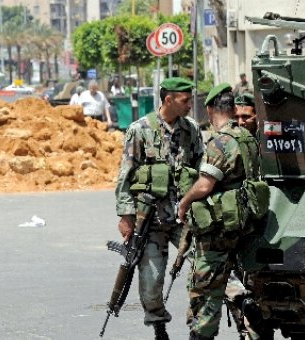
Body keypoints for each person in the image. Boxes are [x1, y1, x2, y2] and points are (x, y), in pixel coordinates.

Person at [114, 77, 203, 340]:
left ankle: (201, 324)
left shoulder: (192, 130)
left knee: (206, 266)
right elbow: (125, 174)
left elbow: (201, 169)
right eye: (185, 100)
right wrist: (125, 215)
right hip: (150, 220)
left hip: (184, 219)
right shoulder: (140, 130)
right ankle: (159, 327)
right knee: (151, 283)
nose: (190, 105)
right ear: (168, 100)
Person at [177, 83, 261, 340]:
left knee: (206, 291)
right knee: (240, 283)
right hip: (244, 224)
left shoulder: (220, 142)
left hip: (218, 229)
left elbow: (205, 185)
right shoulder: (246, 138)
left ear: (210, 108)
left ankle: (202, 334)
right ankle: (253, 329)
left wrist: (184, 203)